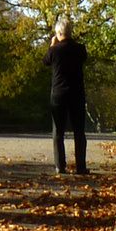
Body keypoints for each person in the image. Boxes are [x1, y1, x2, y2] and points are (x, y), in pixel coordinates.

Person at [44, 17, 89, 175]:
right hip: (76, 94)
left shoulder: (54, 50)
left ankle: (60, 165)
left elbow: (46, 62)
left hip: (59, 95)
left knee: (58, 132)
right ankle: (81, 166)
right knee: (79, 131)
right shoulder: (80, 49)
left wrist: (52, 45)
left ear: (59, 33)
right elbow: (84, 59)